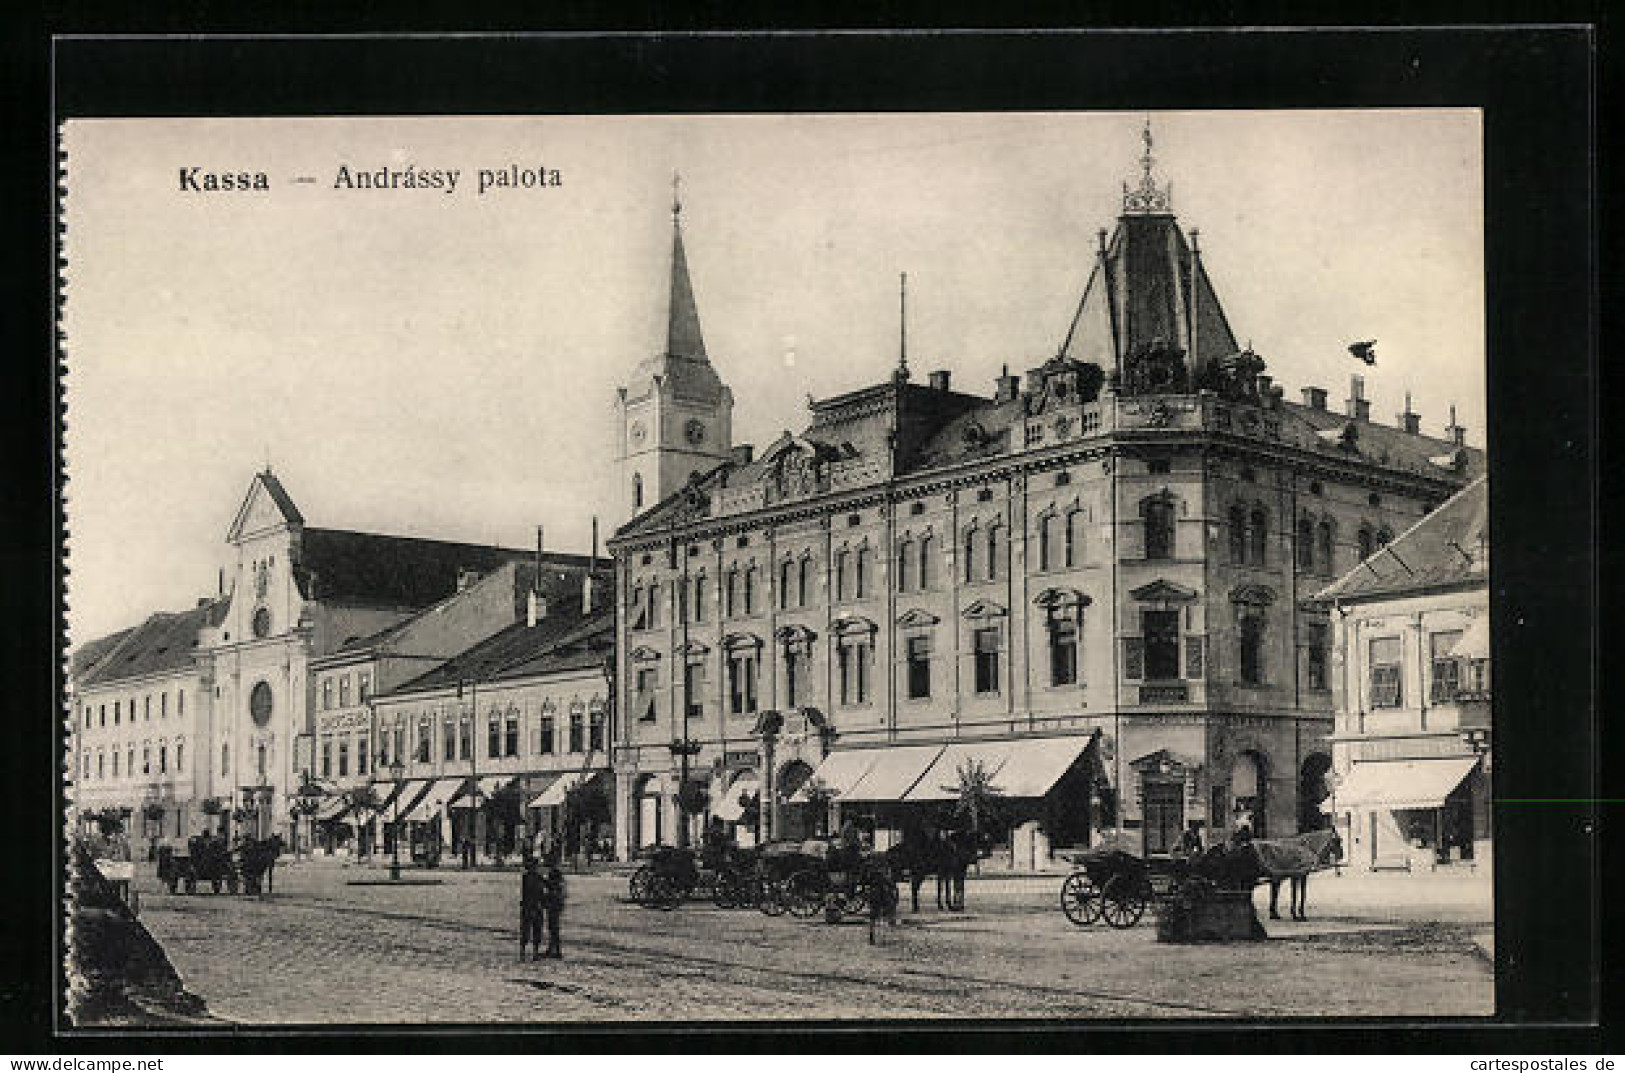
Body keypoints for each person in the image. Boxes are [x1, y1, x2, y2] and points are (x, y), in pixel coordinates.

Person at [519, 855, 547, 961]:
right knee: (533, 930)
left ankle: (525, 952)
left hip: (529, 907)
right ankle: (531, 952)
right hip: (533, 906)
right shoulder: (534, 878)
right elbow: (536, 892)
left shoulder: (527, 877)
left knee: (529, 930)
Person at [541, 852, 565, 959]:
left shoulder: (555, 873)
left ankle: (557, 951)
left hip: (554, 903)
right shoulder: (555, 873)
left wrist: (543, 882)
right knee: (553, 927)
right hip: (556, 903)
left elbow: (554, 887)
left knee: (553, 927)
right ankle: (553, 949)